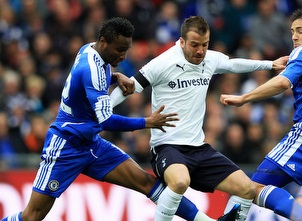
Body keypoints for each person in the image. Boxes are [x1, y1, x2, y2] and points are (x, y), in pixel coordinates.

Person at [1, 17, 239, 221]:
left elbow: (88, 80)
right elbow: (105, 121)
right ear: (103, 42)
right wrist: (146, 122)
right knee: (32, 216)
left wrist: (115, 76)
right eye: (119, 50)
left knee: (148, 184)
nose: (124, 55)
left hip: (91, 144)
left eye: (127, 49)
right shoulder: (90, 69)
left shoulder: (90, 49)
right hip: (66, 146)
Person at [110, 15, 288, 221]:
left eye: (205, 44)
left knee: (247, 189)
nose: (200, 51)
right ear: (182, 41)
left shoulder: (209, 59)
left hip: (199, 149)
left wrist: (270, 65)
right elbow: (129, 87)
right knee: (179, 182)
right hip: (167, 147)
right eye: (195, 45)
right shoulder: (163, 62)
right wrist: (104, 110)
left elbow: (232, 64)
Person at [220, 9, 302, 220]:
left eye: (300, 30)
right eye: (292, 31)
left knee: (254, 187)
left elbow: (282, 82)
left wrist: (244, 98)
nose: (294, 37)